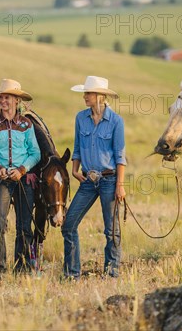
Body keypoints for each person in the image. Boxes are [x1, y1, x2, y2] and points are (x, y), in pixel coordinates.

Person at [62, 76, 127, 280]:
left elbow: (120, 156)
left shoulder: (116, 121)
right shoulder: (80, 118)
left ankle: (111, 274)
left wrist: (120, 185)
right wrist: (74, 169)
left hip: (109, 180)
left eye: (88, 93)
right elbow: (77, 147)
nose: (84, 97)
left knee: (111, 231)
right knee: (68, 225)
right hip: (88, 181)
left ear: (100, 96)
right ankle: (72, 274)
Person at [0, 79, 41, 279]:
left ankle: (22, 267)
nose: (3, 101)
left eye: (7, 97)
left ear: (16, 100)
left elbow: (35, 153)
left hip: (22, 178)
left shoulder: (26, 124)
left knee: (24, 225)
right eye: (0, 97)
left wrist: (23, 170)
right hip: (2, 178)